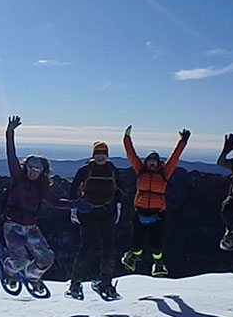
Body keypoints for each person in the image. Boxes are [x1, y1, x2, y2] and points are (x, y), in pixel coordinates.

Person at [0, 115, 70, 293]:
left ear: (42, 171)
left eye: (37, 169)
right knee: (20, 259)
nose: (33, 172)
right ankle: (9, 269)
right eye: (30, 167)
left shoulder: (42, 187)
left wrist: (76, 204)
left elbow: (55, 202)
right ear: (25, 167)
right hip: (13, 225)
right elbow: (11, 155)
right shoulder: (17, 178)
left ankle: (32, 276)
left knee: (46, 258)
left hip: (31, 227)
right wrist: (9, 133)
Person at [121, 125, 189, 277]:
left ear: (158, 162)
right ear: (146, 162)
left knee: (156, 243)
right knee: (137, 242)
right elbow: (130, 155)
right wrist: (126, 138)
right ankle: (134, 257)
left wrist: (182, 142)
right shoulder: (140, 170)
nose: (152, 162)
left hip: (158, 213)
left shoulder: (164, 172)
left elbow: (174, 158)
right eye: (150, 160)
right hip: (140, 211)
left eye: (155, 160)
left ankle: (158, 264)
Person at [67, 140, 123, 300]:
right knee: (87, 247)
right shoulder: (86, 169)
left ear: (107, 155)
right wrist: (74, 208)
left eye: (103, 154)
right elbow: (74, 187)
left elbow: (118, 188)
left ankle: (105, 283)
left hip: (106, 212)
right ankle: (76, 283)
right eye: (98, 154)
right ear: (93, 155)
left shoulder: (111, 169)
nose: (100, 157)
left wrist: (118, 206)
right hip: (89, 213)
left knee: (109, 249)